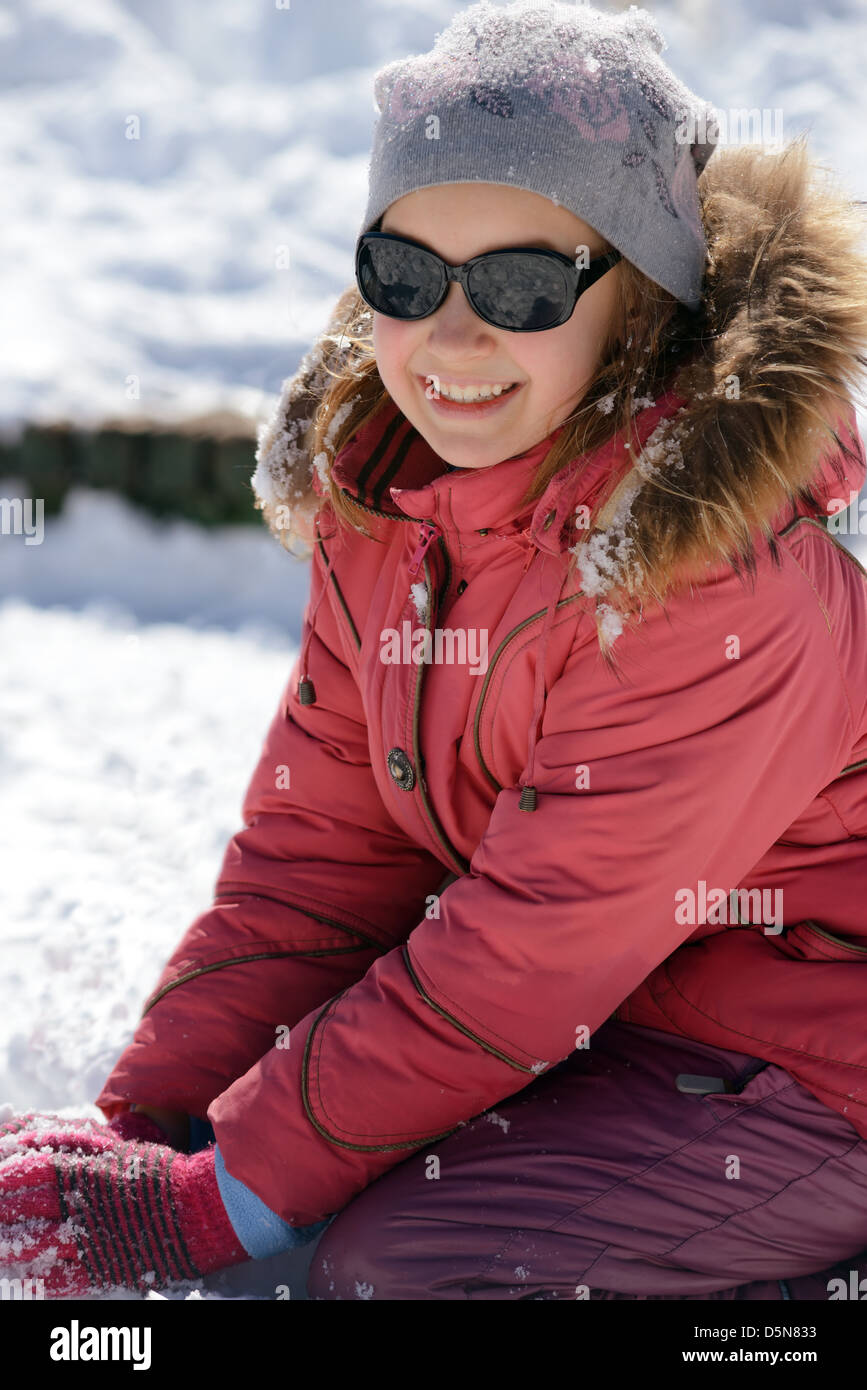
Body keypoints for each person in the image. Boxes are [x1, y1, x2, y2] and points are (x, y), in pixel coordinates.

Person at [3, 0, 867, 1301]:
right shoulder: (389, 498)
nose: (451, 339)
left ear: (641, 301)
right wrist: (146, 1128)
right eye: (405, 276)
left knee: (403, 1270)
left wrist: (211, 1203)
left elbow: (523, 959)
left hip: (815, 1062)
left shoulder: (715, 580)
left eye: (519, 285)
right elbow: (320, 859)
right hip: (613, 1017)